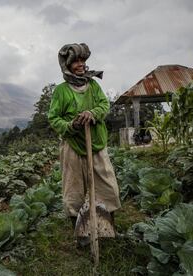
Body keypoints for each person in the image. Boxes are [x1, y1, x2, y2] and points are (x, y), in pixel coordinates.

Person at [48, 43, 121, 232]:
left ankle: (107, 226)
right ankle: (80, 231)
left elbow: (104, 105)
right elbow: (54, 118)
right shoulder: (61, 91)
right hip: (73, 145)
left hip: (96, 143)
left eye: (83, 61)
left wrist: (92, 113)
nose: (80, 65)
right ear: (67, 65)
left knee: (107, 185)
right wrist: (71, 125)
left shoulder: (93, 85)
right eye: (76, 62)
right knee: (74, 188)